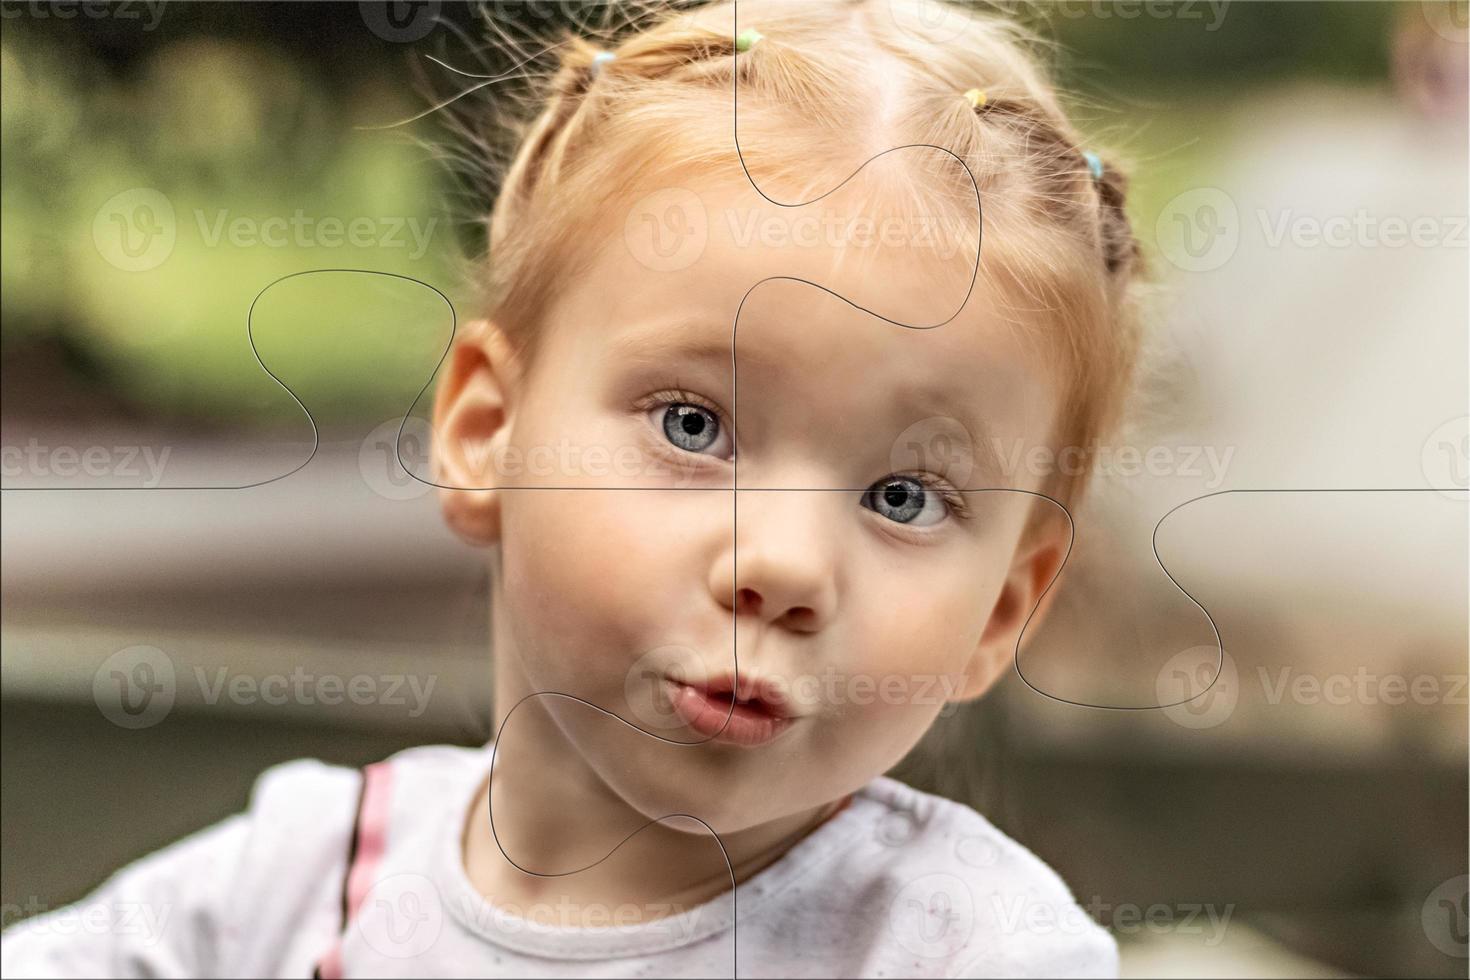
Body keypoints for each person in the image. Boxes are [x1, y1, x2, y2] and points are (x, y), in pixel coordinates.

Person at [2, 0, 1144, 975]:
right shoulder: (295, 881)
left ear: (1001, 608)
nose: (786, 565)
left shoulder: (964, 947)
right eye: (694, 426)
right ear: (486, 431)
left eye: (905, 497)